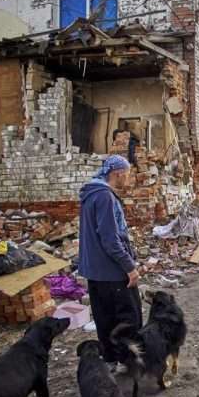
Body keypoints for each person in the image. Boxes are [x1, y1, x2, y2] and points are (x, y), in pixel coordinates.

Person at [78, 155, 142, 373]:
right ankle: (126, 361)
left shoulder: (90, 194)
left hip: (94, 271)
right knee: (128, 317)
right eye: (128, 173)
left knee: (104, 317)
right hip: (111, 271)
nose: (129, 178)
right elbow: (110, 239)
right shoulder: (105, 197)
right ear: (118, 173)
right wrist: (129, 267)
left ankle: (110, 359)